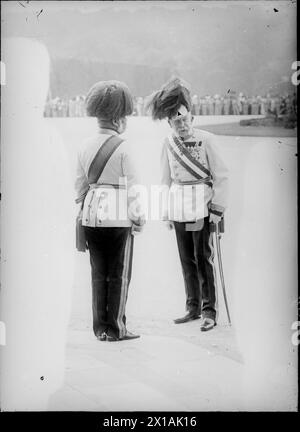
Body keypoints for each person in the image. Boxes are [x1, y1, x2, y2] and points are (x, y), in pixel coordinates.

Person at [147, 78, 229, 332]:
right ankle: (192, 306)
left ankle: (209, 311)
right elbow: (165, 180)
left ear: (191, 117)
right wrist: (166, 212)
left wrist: (217, 208)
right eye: (175, 121)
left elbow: (222, 176)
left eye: (184, 119)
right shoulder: (168, 143)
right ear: (169, 123)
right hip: (179, 207)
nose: (181, 125)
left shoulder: (207, 139)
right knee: (186, 259)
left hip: (201, 207)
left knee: (202, 257)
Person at [75, 80, 145, 342]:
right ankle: (116, 328)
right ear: (117, 120)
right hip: (118, 215)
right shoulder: (124, 146)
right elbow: (133, 187)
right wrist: (138, 217)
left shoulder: (84, 145)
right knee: (119, 274)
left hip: (91, 214)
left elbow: (79, 185)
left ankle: (100, 328)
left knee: (98, 273)